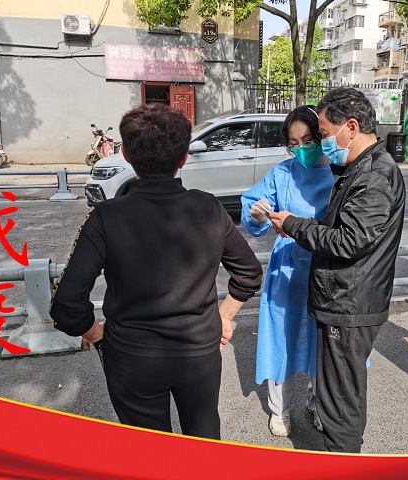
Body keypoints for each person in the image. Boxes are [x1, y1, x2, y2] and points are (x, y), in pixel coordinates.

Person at [50, 103, 263, 440]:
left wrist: (93, 332)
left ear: (127, 156)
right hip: (199, 351)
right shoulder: (209, 207)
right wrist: (224, 316)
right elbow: (249, 273)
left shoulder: (106, 217)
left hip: (132, 355)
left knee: (148, 449)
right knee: (205, 438)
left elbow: (66, 304)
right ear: (183, 158)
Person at [267, 87, 406, 452]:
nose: (323, 142)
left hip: (349, 302)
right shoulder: (358, 168)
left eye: (325, 134)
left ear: (352, 127)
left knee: (340, 403)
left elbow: (349, 242)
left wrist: (294, 225)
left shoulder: (373, 175)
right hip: (345, 298)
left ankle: (341, 461)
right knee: (338, 394)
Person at [241, 106, 335, 437]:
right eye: (293, 144)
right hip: (288, 267)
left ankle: (319, 404)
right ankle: (279, 409)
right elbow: (252, 207)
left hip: (327, 266)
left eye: (308, 141)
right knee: (283, 336)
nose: (301, 149)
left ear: (322, 136)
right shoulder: (281, 173)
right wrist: (256, 214)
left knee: (323, 342)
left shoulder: (339, 174)